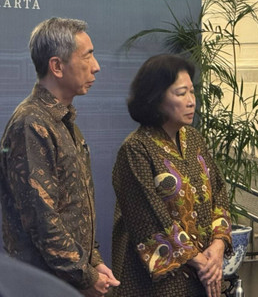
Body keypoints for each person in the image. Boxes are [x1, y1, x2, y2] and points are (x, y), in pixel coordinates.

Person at [0, 17, 119, 296]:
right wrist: (86, 276)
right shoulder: (31, 124)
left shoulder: (61, 121)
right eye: (87, 56)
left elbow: (76, 209)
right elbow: (43, 222)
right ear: (56, 66)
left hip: (67, 281)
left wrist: (95, 262)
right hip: (43, 286)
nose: (96, 66)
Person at [111, 54, 232, 297]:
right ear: (156, 99)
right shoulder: (136, 149)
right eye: (180, 93)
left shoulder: (194, 138)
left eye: (192, 92)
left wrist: (218, 246)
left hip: (204, 274)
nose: (191, 101)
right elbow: (147, 219)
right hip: (157, 283)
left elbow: (219, 193)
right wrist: (200, 261)